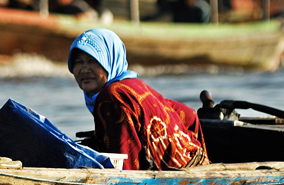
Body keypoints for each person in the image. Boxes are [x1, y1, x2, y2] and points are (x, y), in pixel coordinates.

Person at [68, 28, 209, 171]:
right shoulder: (133, 85)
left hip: (173, 179)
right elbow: (187, 114)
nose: (84, 69)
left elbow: (123, 166)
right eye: (79, 62)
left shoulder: (113, 95)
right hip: (192, 164)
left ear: (110, 60)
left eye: (92, 61)